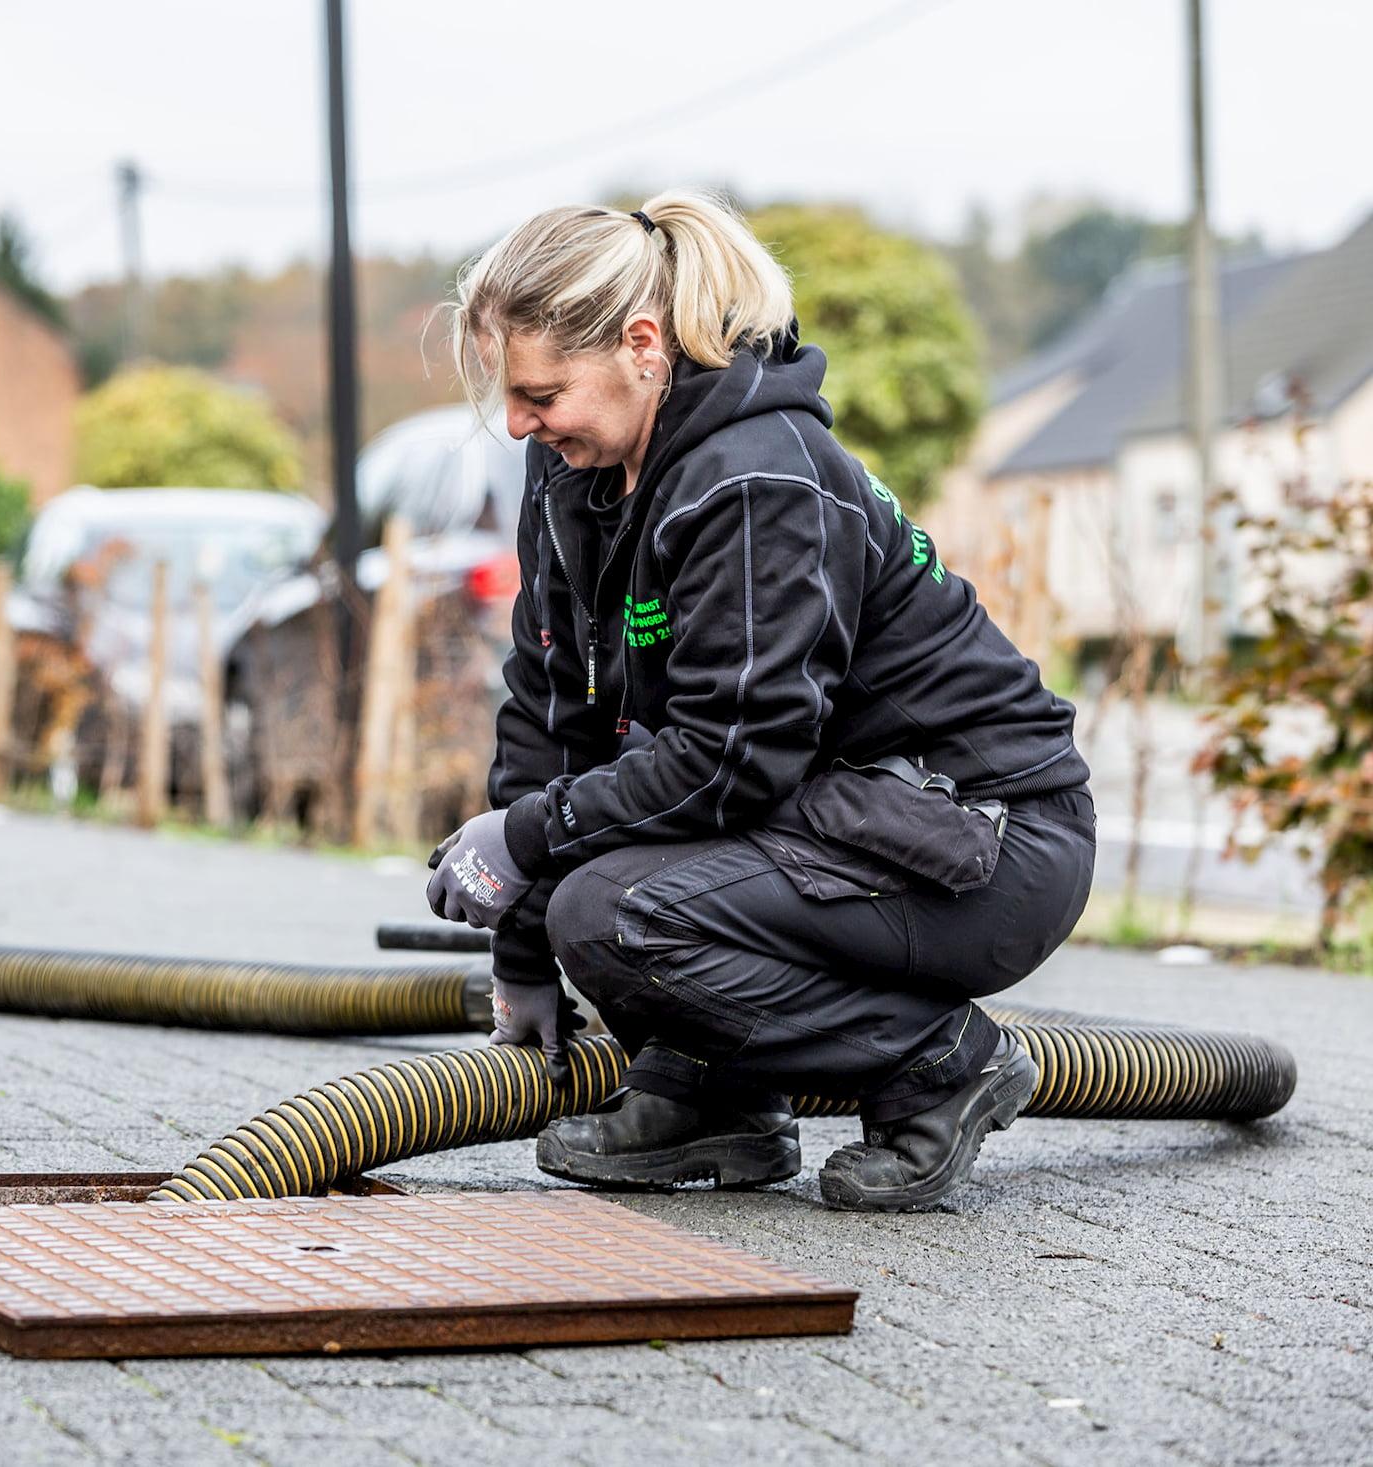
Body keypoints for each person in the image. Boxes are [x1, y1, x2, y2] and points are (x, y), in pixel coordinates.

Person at [425, 193, 1094, 1212]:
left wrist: (526, 841)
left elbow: (732, 759)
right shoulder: (574, 475)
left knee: (613, 912)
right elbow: (554, 702)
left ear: (641, 346)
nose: (519, 421)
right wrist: (517, 950)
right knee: (589, 884)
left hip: (984, 841)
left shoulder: (754, 478)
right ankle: (723, 1102)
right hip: (838, 813)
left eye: (541, 392)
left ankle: (941, 1064)